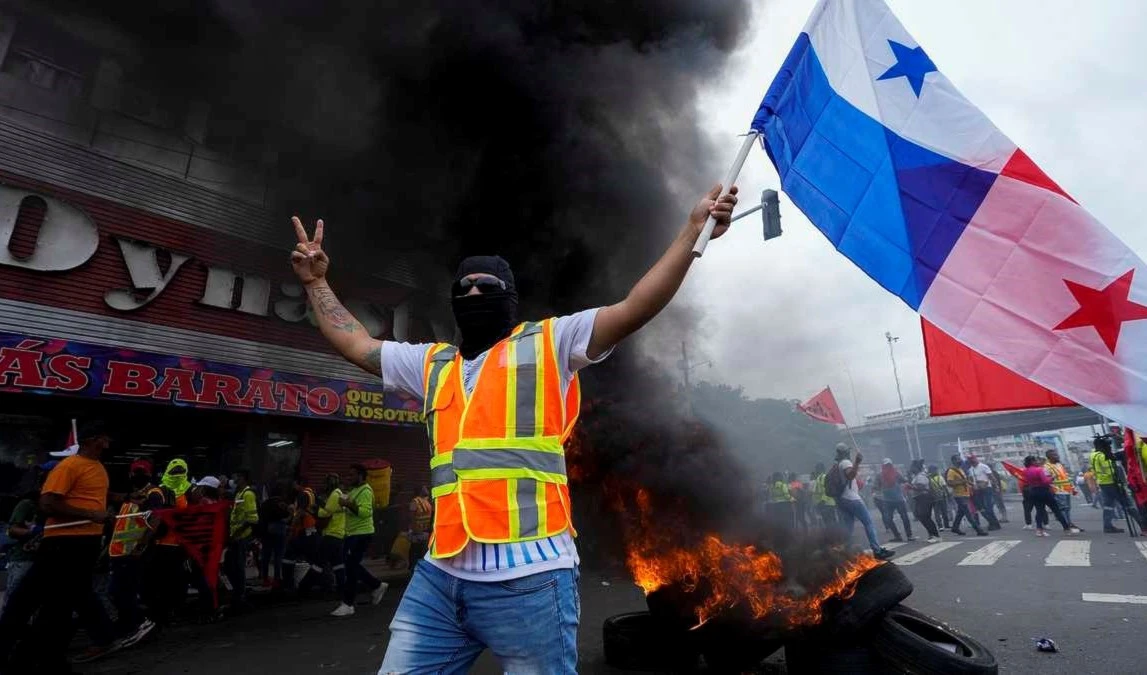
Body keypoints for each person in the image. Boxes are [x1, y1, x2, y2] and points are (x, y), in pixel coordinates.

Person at [289, 184, 740, 672]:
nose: (473, 293)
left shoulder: (551, 342)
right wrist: (316, 283)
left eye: (486, 286)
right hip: (441, 575)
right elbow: (357, 344)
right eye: (464, 288)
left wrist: (691, 232)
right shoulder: (431, 363)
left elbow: (634, 308)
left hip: (531, 576)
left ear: (510, 297)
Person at [0, 422, 119, 671]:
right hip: (64, 544)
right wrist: (91, 515)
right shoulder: (69, 466)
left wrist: (121, 500)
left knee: (52, 603)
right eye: (103, 439)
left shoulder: (97, 467)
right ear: (90, 440)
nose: (107, 444)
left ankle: (37, 657)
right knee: (40, 602)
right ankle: (27, 655)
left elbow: (91, 496)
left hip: (84, 544)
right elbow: (48, 504)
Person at [107, 459, 163, 646]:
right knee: (121, 591)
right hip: (120, 551)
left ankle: (139, 623)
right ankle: (128, 623)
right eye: (135, 472)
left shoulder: (152, 493)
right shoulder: (131, 496)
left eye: (142, 472)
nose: (137, 476)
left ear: (149, 474)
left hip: (134, 552)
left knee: (120, 591)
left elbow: (155, 520)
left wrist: (141, 546)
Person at [331, 463, 387, 617]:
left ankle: (348, 604)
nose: (349, 478)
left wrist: (348, 504)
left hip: (361, 534)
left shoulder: (365, 491)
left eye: (352, 475)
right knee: (351, 565)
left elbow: (365, 512)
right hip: (352, 533)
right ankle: (376, 585)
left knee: (350, 567)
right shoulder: (354, 490)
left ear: (361, 476)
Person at [1, 461, 54, 615]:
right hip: (25, 559)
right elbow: (12, 530)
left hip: (47, 559)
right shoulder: (28, 504)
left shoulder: (60, 505)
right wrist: (34, 531)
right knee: (15, 600)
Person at [146, 458, 192, 628]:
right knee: (167, 581)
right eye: (175, 471)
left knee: (171, 581)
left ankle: (167, 613)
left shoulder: (188, 492)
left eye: (180, 471)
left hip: (172, 545)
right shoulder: (163, 491)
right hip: (168, 545)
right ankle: (166, 613)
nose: (177, 475)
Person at [831, 445, 895, 560]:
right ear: (846, 452)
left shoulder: (838, 464)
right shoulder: (845, 462)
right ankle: (877, 550)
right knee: (868, 523)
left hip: (842, 499)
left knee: (848, 527)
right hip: (852, 498)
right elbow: (850, 475)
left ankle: (843, 552)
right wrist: (857, 462)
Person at [299, 473, 346, 594]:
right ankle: (342, 588)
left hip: (331, 533)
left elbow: (325, 513)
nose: (324, 486)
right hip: (339, 533)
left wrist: (314, 509)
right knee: (338, 564)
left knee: (318, 562)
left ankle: (303, 587)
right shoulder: (341, 494)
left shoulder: (334, 495)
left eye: (325, 483)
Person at [225, 469, 259, 610]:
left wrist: (236, 534)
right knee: (231, 566)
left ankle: (240, 597)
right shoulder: (239, 493)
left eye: (237, 476)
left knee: (238, 568)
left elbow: (252, 519)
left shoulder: (248, 494)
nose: (235, 479)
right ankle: (238, 595)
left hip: (241, 538)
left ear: (243, 478)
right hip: (235, 537)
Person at [1023, 456, 1078, 536]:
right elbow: (1045, 481)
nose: (1038, 462)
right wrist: (1052, 478)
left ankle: (1039, 530)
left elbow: (1026, 481)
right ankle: (1066, 529)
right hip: (1044, 491)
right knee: (1056, 510)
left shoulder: (1025, 471)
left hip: (1033, 491)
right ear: (1032, 462)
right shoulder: (1039, 470)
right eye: (1036, 461)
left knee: (1039, 511)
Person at [1091, 436, 1133, 533]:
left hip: (1103, 483)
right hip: (1111, 482)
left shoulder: (1093, 455)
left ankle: (1107, 526)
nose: (1109, 446)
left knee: (1108, 505)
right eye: (1107, 445)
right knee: (1128, 504)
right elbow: (1110, 470)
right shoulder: (1103, 456)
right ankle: (1143, 525)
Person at [286, 477, 319, 588]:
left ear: (299, 484)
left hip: (304, 529)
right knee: (312, 557)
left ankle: (289, 583)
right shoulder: (311, 493)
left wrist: (291, 528)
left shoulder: (303, 494)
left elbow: (300, 512)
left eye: (294, 484)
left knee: (289, 553)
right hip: (311, 528)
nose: (293, 487)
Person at [258, 482, 291, 589]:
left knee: (266, 556)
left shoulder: (265, 503)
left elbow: (261, 518)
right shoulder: (282, 502)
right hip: (279, 529)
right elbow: (285, 515)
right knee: (278, 555)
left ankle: (265, 579)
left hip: (266, 531)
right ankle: (277, 579)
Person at [945, 455, 987, 537]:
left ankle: (955, 527)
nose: (960, 461)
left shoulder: (960, 469)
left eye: (960, 459)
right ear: (953, 461)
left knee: (960, 513)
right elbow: (949, 483)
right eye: (958, 459)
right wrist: (962, 482)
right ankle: (978, 530)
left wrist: (971, 484)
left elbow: (965, 480)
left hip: (965, 494)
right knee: (968, 514)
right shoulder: (951, 471)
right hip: (959, 495)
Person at [1044, 449, 1081, 531]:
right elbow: (1047, 480)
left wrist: (1072, 488)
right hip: (1057, 490)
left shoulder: (1059, 465)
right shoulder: (1046, 467)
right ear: (1049, 457)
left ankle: (1069, 523)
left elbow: (1066, 477)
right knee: (1063, 508)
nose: (1057, 456)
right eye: (1055, 455)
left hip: (1066, 490)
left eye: (1057, 454)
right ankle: (1067, 525)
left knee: (1067, 508)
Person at [878, 458, 913, 542]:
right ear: (883, 466)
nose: (888, 467)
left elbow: (904, 481)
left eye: (889, 465)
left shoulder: (896, 474)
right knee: (888, 519)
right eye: (886, 465)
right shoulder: (879, 475)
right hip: (887, 500)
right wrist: (878, 493)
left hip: (898, 499)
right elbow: (876, 487)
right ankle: (897, 536)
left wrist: (907, 485)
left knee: (904, 517)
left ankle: (909, 535)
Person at [907, 459, 940, 543]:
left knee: (924, 516)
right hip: (921, 498)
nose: (911, 469)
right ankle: (932, 534)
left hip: (924, 498)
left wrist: (911, 487)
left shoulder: (920, 476)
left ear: (916, 468)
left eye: (912, 467)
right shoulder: (917, 476)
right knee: (922, 516)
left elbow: (921, 487)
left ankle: (935, 535)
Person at [966, 455, 1001, 531]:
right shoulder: (970, 470)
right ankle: (992, 523)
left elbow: (991, 477)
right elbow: (971, 480)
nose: (972, 461)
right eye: (970, 460)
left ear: (976, 459)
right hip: (977, 490)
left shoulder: (983, 467)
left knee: (989, 508)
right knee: (982, 509)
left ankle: (995, 524)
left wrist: (996, 486)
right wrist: (972, 485)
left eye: (973, 459)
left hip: (987, 489)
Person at [408, 486, 432, 570]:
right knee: (416, 550)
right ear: (420, 491)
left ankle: (415, 567)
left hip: (422, 531)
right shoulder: (416, 501)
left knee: (419, 551)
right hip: (419, 531)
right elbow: (412, 517)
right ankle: (413, 567)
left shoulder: (424, 501)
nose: (426, 489)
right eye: (424, 488)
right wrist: (414, 529)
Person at [811, 463, 836, 527]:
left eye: (817, 468)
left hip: (827, 503)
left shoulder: (823, 477)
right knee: (828, 522)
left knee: (830, 522)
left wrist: (823, 501)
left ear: (820, 469)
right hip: (825, 503)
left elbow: (826, 489)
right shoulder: (819, 477)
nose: (815, 470)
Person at [927, 465, 951, 530]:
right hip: (942, 496)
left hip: (934, 498)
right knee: (944, 511)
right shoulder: (940, 477)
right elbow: (944, 486)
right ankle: (946, 525)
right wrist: (948, 494)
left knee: (936, 512)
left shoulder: (928, 479)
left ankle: (940, 526)